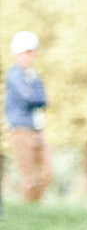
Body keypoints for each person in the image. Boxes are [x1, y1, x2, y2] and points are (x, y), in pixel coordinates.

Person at [6, 34, 49, 203]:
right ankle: (28, 206)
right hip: (21, 128)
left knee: (46, 172)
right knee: (28, 176)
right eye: (27, 52)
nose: (30, 56)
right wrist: (35, 96)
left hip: (37, 127)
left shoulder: (34, 75)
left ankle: (35, 205)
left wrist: (35, 96)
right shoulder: (15, 75)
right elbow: (29, 98)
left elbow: (43, 99)